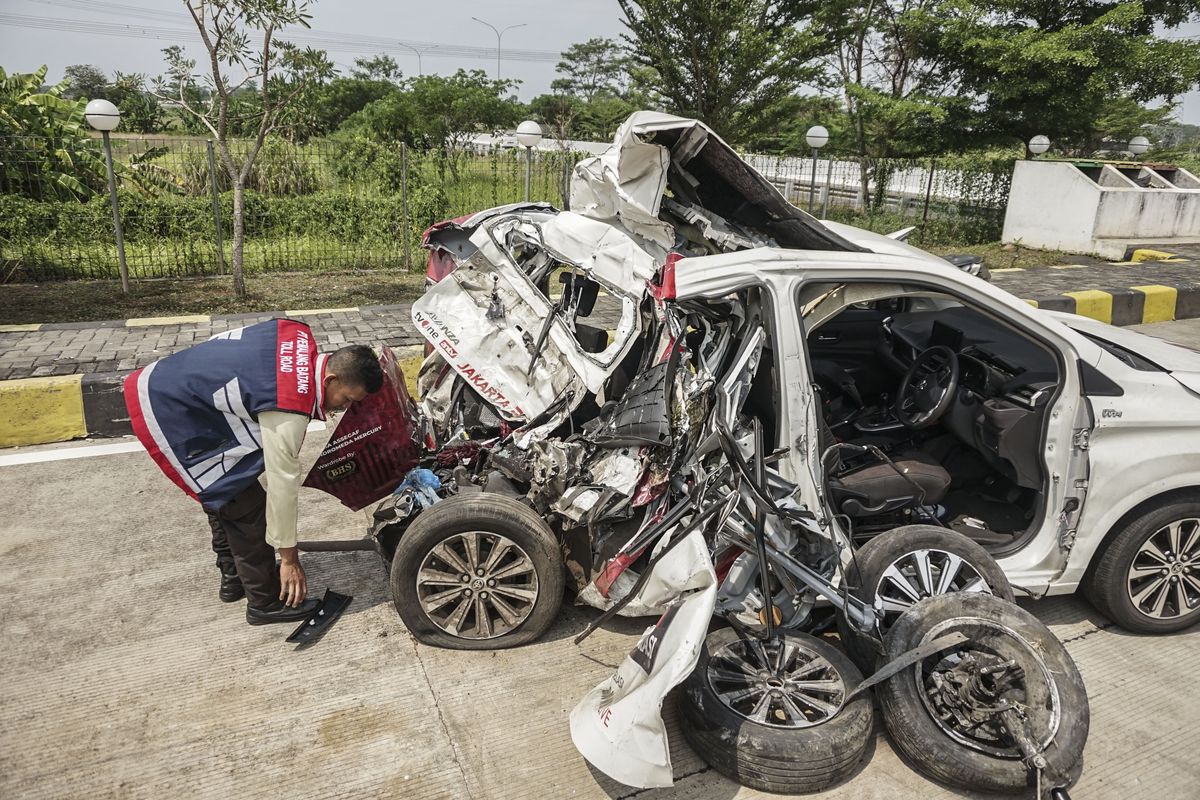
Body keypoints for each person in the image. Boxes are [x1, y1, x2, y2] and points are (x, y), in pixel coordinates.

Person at [123, 319, 383, 625]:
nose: (343, 408)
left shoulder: (298, 336)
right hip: (173, 409)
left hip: (173, 384)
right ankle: (265, 603)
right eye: (346, 399)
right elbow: (282, 485)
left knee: (224, 488)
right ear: (330, 380)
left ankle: (234, 579)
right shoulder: (290, 408)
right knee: (246, 506)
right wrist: (289, 559)